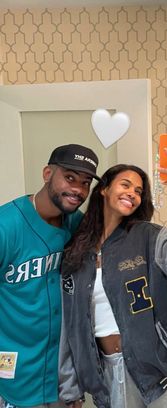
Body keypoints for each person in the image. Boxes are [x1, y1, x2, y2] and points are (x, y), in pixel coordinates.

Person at [59, 143, 167, 408]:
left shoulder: (149, 237)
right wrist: (70, 389)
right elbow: (70, 324)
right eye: (125, 185)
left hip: (162, 372)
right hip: (106, 376)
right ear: (104, 189)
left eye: (138, 191)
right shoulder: (76, 250)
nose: (132, 193)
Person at [0, 144, 100, 408]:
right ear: (47, 173)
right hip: (14, 378)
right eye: (69, 177)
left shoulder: (76, 225)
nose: (78, 189)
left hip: (61, 381)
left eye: (85, 182)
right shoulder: (5, 226)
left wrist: (75, 387)